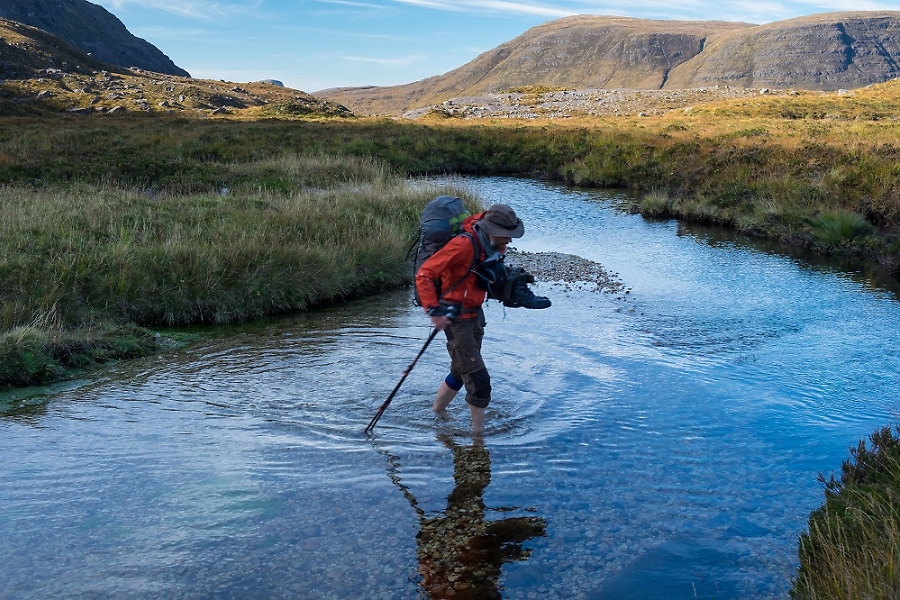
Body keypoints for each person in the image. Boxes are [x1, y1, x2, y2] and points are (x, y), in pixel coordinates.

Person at [414, 203, 525, 434]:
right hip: (455, 317)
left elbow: (484, 278)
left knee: (460, 369)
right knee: (478, 378)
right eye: (507, 235)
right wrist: (434, 311)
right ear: (492, 230)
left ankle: (437, 412)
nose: (510, 241)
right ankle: (478, 439)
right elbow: (425, 274)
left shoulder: (493, 247)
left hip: (475, 313)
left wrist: (513, 290)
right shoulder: (463, 245)